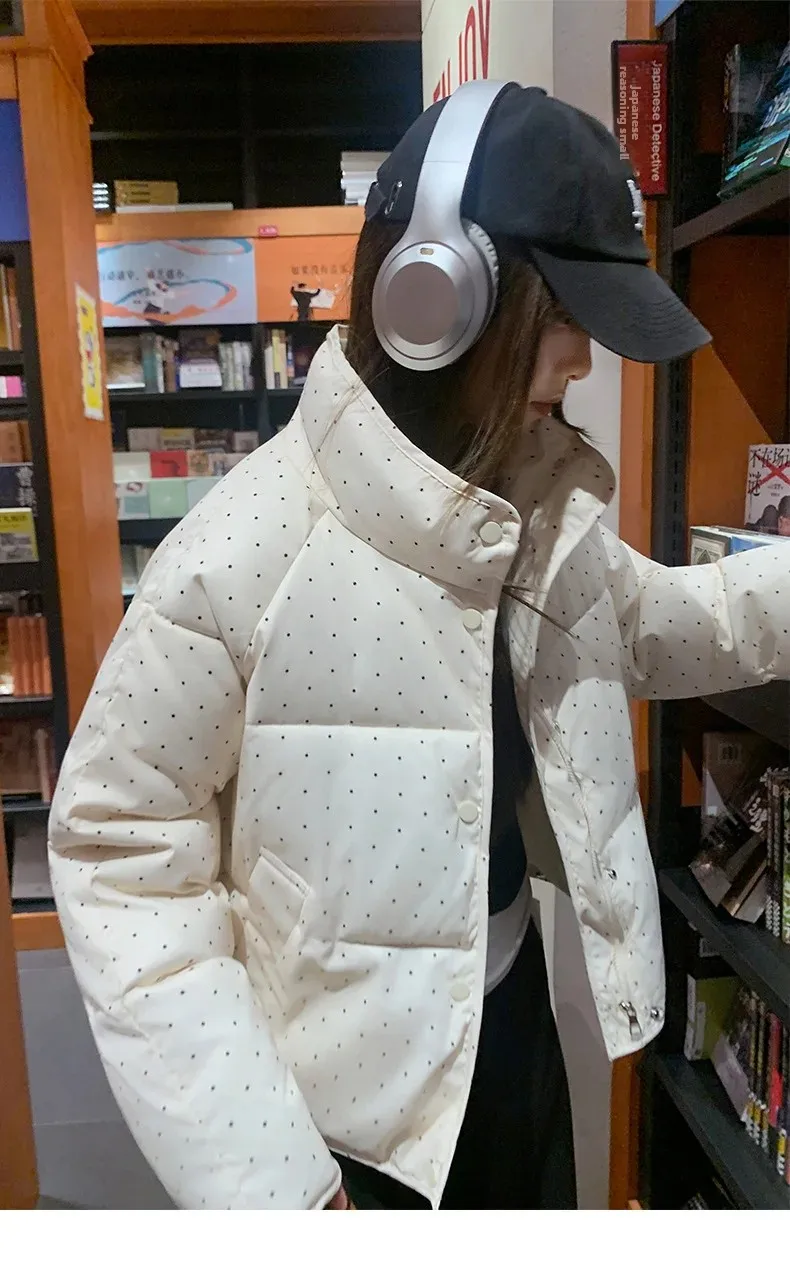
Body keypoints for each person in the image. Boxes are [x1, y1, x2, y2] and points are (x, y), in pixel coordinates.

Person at [49, 84, 789, 1211]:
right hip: (330, 1130)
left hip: (511, 1045)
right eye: (564, 316)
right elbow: (120, 850)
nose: (583, 362)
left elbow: (665, 624)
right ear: (434, 294)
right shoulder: (246, 548)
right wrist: (271, 1182)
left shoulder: (523, 510)